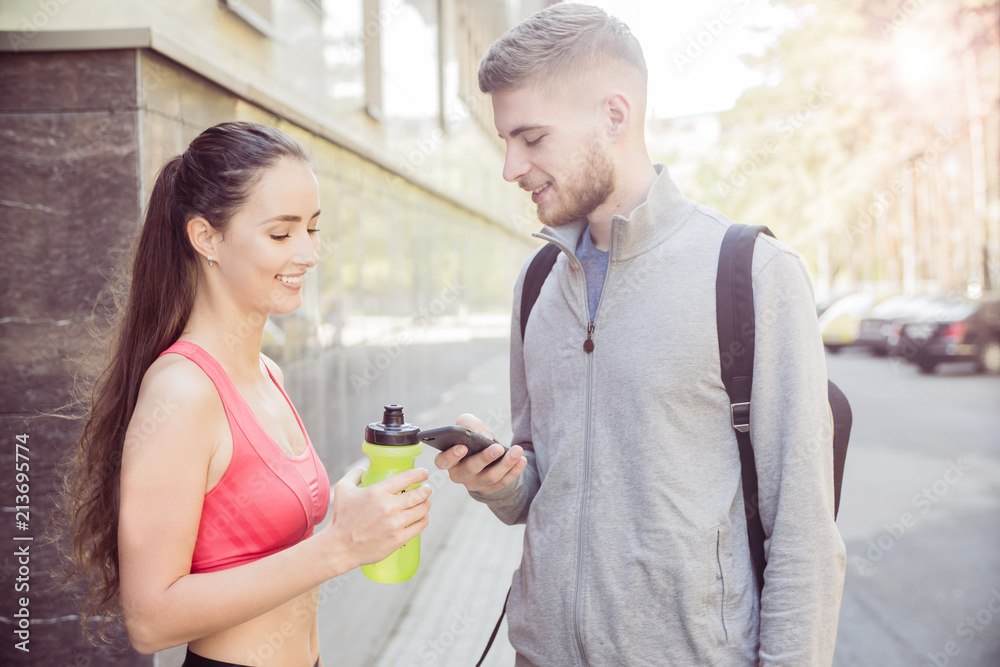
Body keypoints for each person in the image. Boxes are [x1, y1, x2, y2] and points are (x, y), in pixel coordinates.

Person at [434, 5, 846, 666]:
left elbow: (804, 536)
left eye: (531, 137)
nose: (511, 166)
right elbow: (545, 480)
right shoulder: (538, 282)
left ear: (615, 116)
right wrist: (499, 481)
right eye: (507, 139)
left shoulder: (752, 274)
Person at [58, 121, 432, 667]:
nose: (307, 254)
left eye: (313, 229)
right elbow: (149, 620)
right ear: (206, 237)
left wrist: (356, 516)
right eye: (281, 234)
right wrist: (338, 546)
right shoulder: (184, 392)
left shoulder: (267, 372)